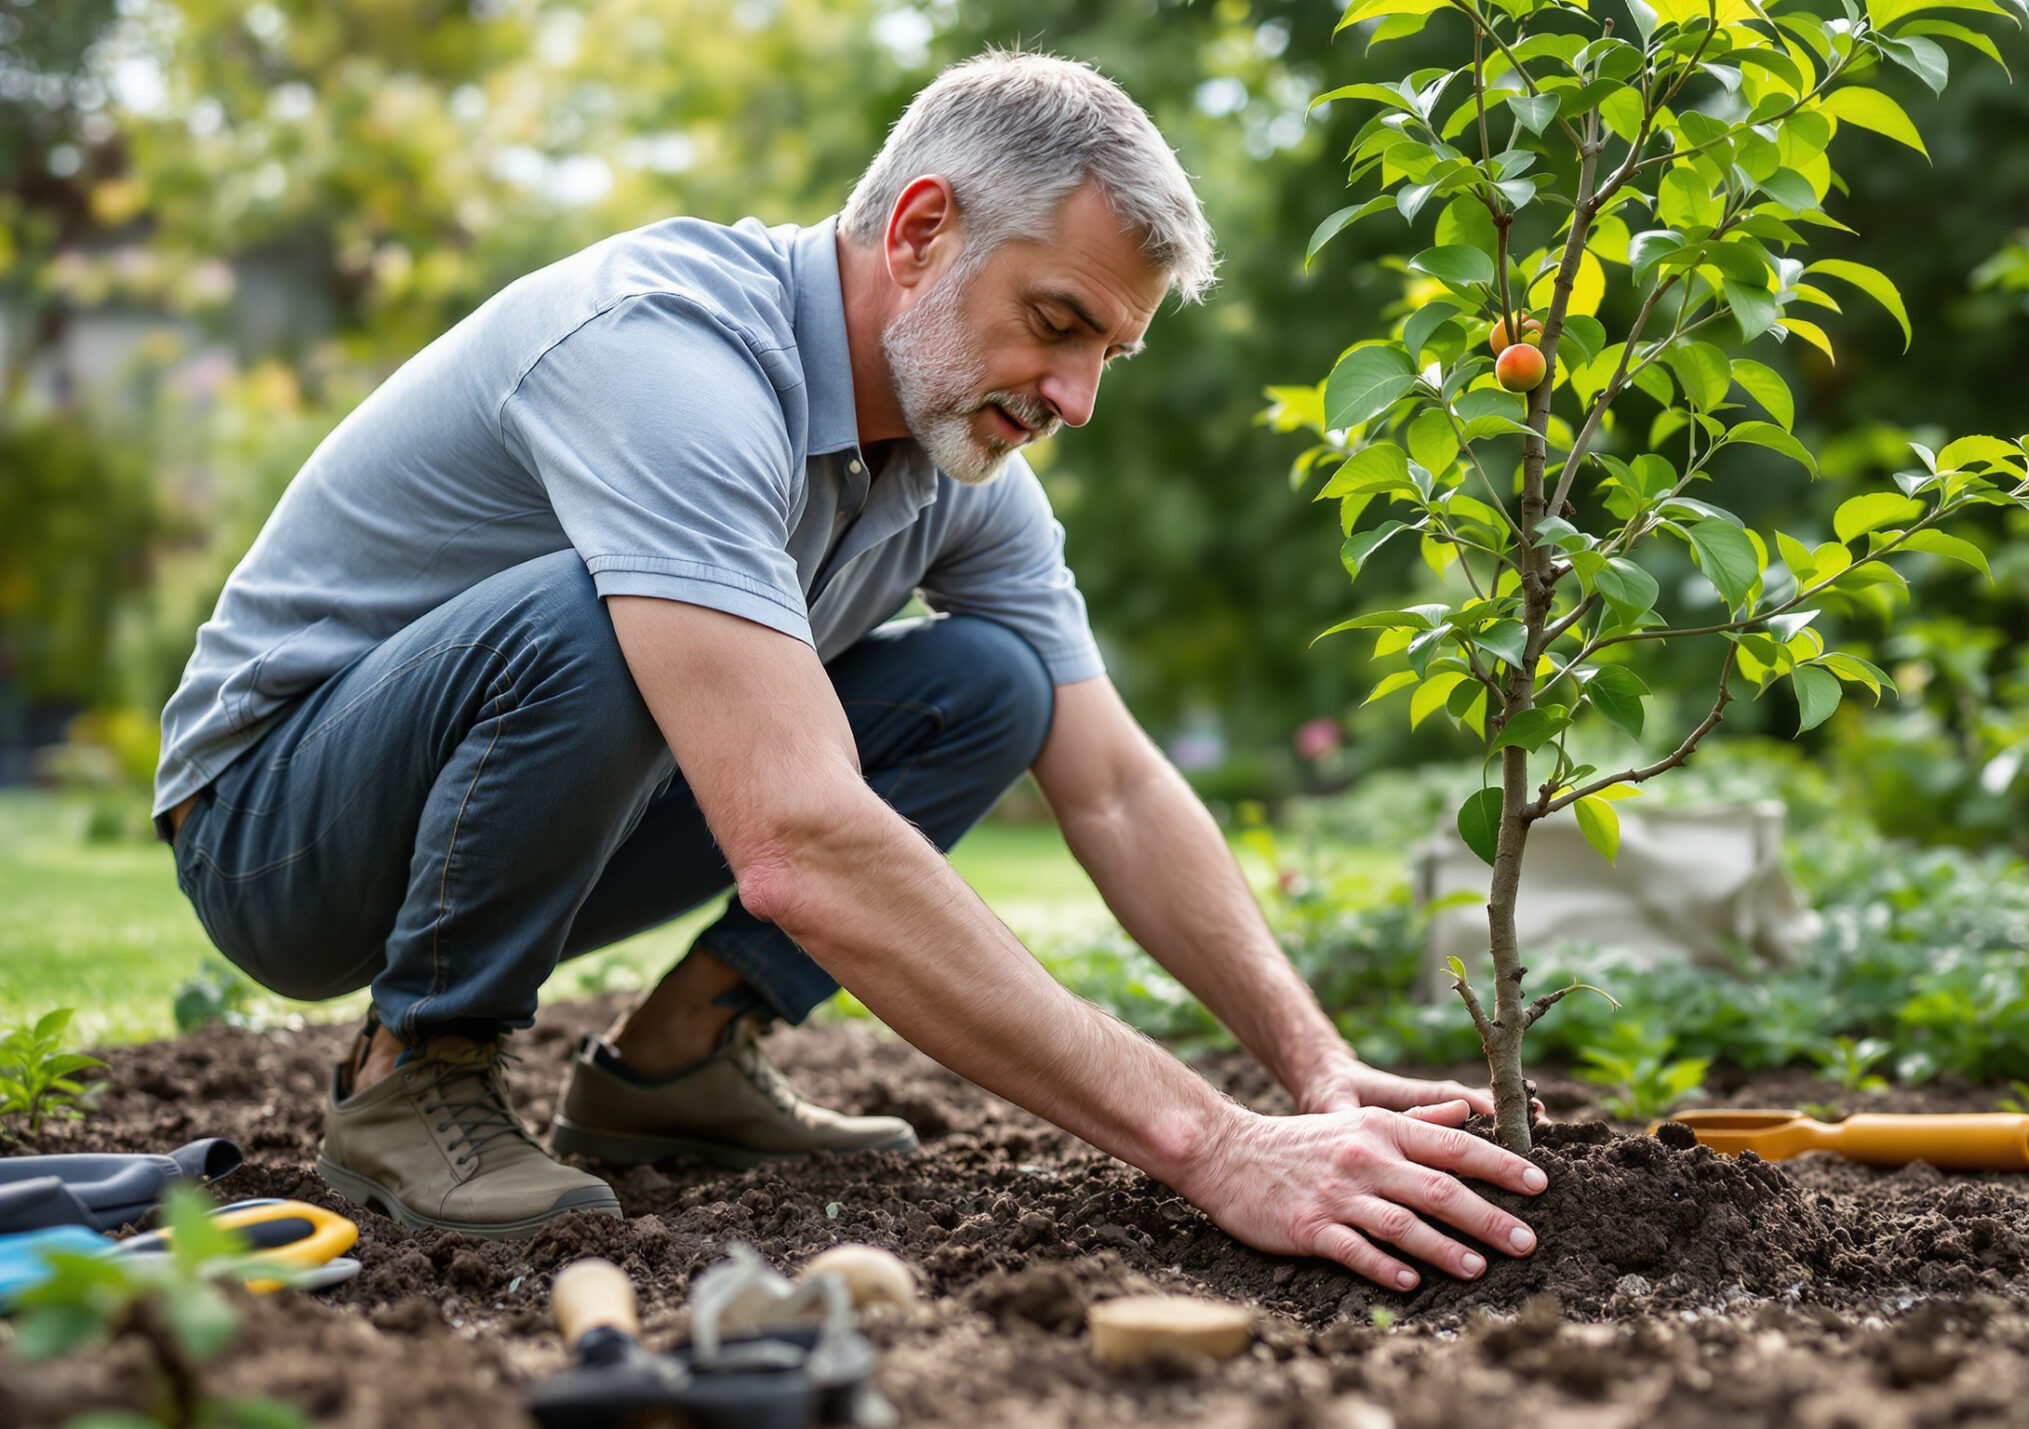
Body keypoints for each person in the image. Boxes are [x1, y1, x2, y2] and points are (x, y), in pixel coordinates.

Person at [152, 50, 1544, 1291]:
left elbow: (1113, 782)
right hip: (279, 827)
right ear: (922, 227)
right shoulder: (670, 357)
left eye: (1108, 353)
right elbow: (799, 840)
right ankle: (418, 1070)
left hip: (530, 819)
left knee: (993, 681)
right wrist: (1217, 1144)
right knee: (606, 613)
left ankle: (679, 1064)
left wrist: (1313, 1063)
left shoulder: (956, 457)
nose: (1075, 401)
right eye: (1059, 322)